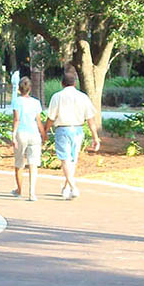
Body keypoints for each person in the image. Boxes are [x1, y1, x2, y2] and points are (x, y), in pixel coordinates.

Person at [45, 68, 100, 199]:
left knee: (65, 160)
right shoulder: (83, 97)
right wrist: (95, 137)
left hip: (63, 129)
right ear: (75, 83)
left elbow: (51, 117)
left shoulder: (57, 96)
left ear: (62, 83)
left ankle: (73, 187)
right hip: (78, 130)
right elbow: (91, 119)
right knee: (72, 160)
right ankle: (66, 187)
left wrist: (45, 130)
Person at [10, 77, 45, 201]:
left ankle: (19, 190)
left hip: (21, 133)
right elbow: (39, 121)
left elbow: (16, 119)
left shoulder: (16, 101)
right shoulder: (36, 102)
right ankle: (32, 193)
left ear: (19, 89)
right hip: (34, 134)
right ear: (30, 89)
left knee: (19, 163)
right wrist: (43, 134)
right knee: (33, 163)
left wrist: (13, 135)